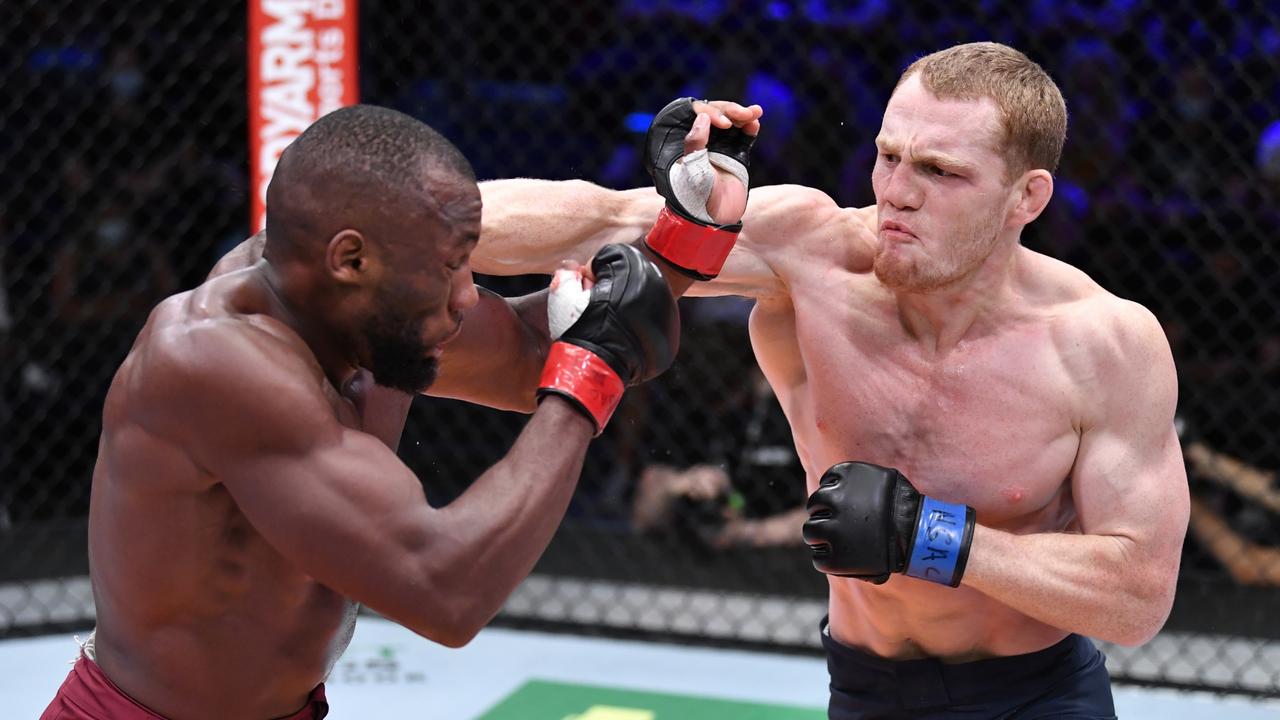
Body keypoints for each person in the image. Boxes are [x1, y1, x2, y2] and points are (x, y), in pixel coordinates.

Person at [474, 42, 1188, 718]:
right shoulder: (814, 256)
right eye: (888, 156)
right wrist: (406, 219)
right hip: (862, 686)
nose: (898, 193)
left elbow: (1135, 599)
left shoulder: (1105, 344)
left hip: (1035, 697)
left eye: (940, 171)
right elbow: (600, 217)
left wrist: (929, 537)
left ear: (1026, 198)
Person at [38, 104, 713, 720]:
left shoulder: (359, 315)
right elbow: (445, 591)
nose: (467, 297)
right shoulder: (213, 363)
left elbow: (548, 348)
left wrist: (688, 229)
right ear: (351, 259)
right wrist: (589, 373)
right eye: (450, 266)